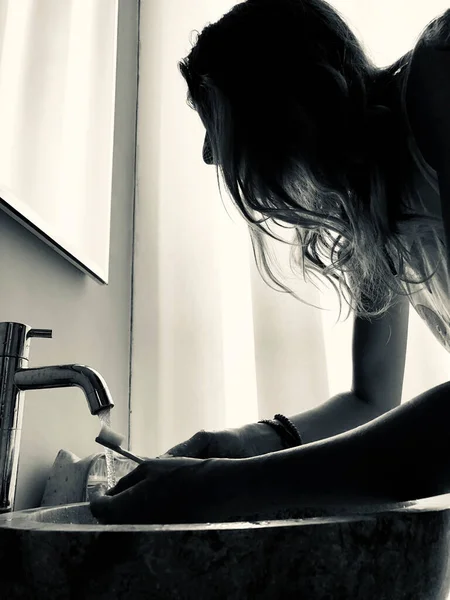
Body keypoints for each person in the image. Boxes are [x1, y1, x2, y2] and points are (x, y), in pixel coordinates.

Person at [90, 0, 450, 525]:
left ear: (274, 102)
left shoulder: (439, 80)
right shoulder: (369, 200)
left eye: (214, 119)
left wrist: (221, 488)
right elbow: (372, 399)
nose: (211, 155)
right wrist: (242, 443)